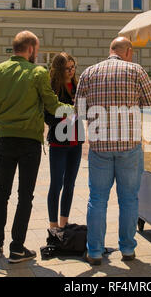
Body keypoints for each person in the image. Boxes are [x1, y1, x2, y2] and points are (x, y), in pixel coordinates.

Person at [0, 30, 72, 264]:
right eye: (37, 49)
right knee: (24, 196)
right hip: (29, 143)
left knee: (1, 194)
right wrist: (76, 109)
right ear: (31, 49)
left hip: (4, 140)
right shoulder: (38, 73)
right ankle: (17, 248)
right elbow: (53, 106)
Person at [76, 37, 151, 266]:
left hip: (100, 146)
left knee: (97, 199)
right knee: (129, 198)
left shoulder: (89, 72)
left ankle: (94, 252)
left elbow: (79, 111)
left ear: (111, 50)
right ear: (128, 51)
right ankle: (128, 249)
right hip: (129, 145)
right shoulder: (136, 71)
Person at [45, 53, 83, 230]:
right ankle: (53, 227)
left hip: (76, 142)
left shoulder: (77, 86)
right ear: (59, 69)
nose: (71, 71)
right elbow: (48, 117)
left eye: (73, 67)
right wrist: (68, 114)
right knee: (56, 184)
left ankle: (64, 224)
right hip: (59, 143)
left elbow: (82, 112)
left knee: (70, 184)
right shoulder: (52, 88)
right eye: (68, 68)